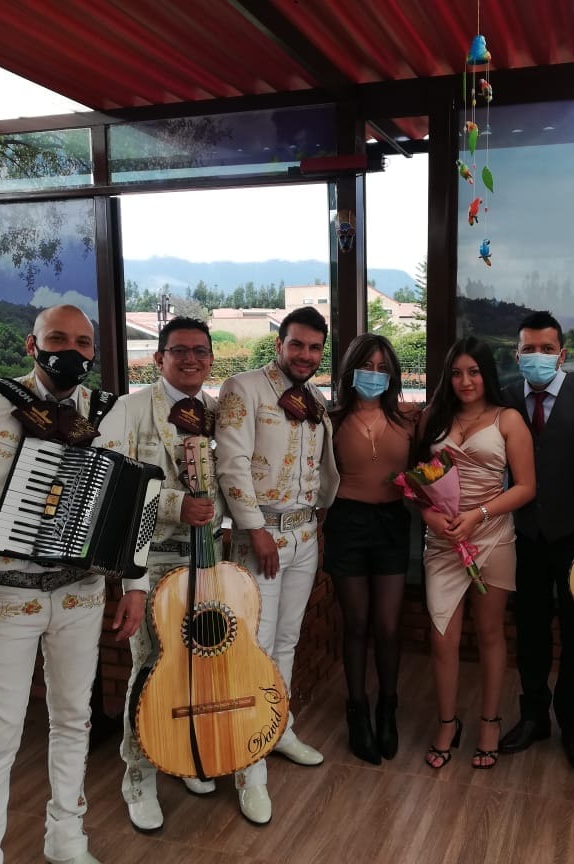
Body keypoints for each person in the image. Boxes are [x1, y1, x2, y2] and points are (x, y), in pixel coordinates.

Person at [0, 304, 145, 864]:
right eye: (57, 338)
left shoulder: (111, 412)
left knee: (74, 719)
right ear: (32, 343)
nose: (71, 350)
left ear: (94, 351)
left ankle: (66, 838)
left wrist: (135, 586)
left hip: (81, 593)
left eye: (83, 342)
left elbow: (137, 500)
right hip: (2, 594)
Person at [94, 316, 221, 831]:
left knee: (200, 664)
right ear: (158, 358)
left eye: (200, 351)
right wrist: (174, 505)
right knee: (151, 667)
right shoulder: (129, 410)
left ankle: (185, 754)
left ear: (211, 358)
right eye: (178, 351)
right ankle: (139, 772)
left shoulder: (215, 411)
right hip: (151, 560)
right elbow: (111, 486)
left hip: (207, 557)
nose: (190, 359)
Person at [214, 305, 340, 825]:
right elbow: (231, 462)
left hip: (305, 533)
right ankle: (249, 768)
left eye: (315, 348)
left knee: (287, 642)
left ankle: (279, 728)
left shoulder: (314, 399)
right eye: (297, 345)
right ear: (279, 344)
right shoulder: (243, 389)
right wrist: (254, 529)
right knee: (254, 649)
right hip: (258, 537)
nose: (306, 355)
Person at [497, 311, 574, 770]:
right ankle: (533, 717)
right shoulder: (504, 400)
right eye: (528, 349)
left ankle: (573, 723)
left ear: (562, 354)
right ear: (517, 354)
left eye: (546, 349)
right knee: (528, 630)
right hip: (522, 535)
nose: (537, 357)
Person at [415, 336, 535, 771]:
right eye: (457, 373)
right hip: (444, 541)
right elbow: (416, 482)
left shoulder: (508, 420)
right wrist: (430, 516)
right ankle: (447, 723)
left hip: (493, 538)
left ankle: (489, 721)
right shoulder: (432, 417)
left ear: (487, 374)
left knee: (489, 635)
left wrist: (479, 514)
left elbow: (525, 487)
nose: (466, 381)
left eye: (474, 372)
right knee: (441, 637)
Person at [325, 333, 417, 765]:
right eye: (368, 366)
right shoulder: (330, 419)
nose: (375, 375)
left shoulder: (408, 419)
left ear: (393, 374)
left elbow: (429, 472)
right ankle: (357, 709)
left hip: (393, 524)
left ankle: (389, 707)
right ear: (350, 370)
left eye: (383, 368)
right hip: (347, 522)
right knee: (357, 622)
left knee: (387, 625)